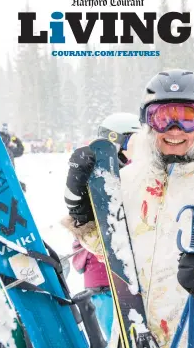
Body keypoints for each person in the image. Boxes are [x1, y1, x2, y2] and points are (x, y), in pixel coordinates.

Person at [60, 69, 194, 348]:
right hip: (132, 333)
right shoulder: (130, 180)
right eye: (162, 117)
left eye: (187, 117)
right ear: (147, 123)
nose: (175, 129)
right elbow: (112, 249)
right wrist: (81, 211)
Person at [65, 112, 141, 341]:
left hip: (128, 280)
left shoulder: (136, 173)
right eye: (134, 141)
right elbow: (89, 225)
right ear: (116, 141)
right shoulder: (96, 173)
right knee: (118, 338)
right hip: (105, 281)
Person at [0, 123, 26, 191]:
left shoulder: (9, 150)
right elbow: (20, 150)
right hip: (3, 177)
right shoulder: (5, 149)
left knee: (20, 186)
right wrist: (16, 140)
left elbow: (20, 151)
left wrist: (16, 140)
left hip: (6, 178)